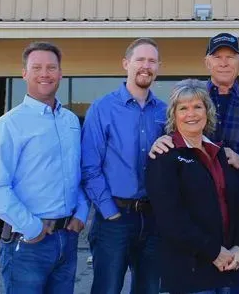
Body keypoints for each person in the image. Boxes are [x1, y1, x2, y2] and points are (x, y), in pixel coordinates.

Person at [150, 32, 239, 294]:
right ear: (207, 62)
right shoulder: (190, 98)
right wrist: (157, 143)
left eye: (230, 57)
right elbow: (170, 139)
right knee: (206, 285)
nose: (224, 63)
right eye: (218, 57)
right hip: (200, 221)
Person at [0, 42, 88, 294]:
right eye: (36, 67)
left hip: (67, 239)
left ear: (61, 73)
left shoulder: (71, 121)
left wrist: (82, 212)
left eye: (51, 67)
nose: (45, 73)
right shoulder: (7, 125)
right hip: (28, 243)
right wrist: (32, 227)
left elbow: (77, 174)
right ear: (24, 73)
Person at [146, 79, 239, 294]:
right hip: (190, 271)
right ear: (174, 116)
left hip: (226, 266)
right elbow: (170, 219)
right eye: (183, 108)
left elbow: (237, 207)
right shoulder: (164, 156)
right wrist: (214, 252)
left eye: (197, 107)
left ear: (207, 112)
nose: (191, 114)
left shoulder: (220, 153)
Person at [81, 37, 167, 294]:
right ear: (125, 63)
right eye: (140, 59)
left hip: (153, 220)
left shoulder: (165, 112)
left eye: (152, 61)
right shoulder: (103, 108)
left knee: (149, 289)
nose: (146, 66)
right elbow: (89, 167)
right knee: (107, 289)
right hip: (114, 219)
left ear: (158, 67)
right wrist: (110, 212)